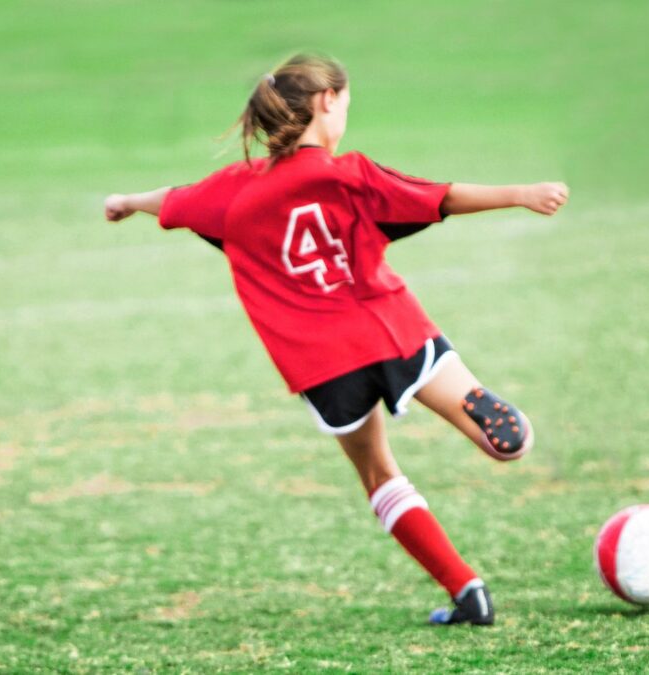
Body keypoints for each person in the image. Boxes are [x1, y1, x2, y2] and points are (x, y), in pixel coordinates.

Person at [103, 53, 568, 625]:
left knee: (378, 473)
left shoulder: (231, 190)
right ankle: (484, 415)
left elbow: (173, 200)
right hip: (390, 327)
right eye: (346, 102)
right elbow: (438, 196)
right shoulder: (349, 174)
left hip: (321, 364)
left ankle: (466, 590)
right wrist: (520, 192)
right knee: (473, 407)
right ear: (327, 102)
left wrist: (126, 202)